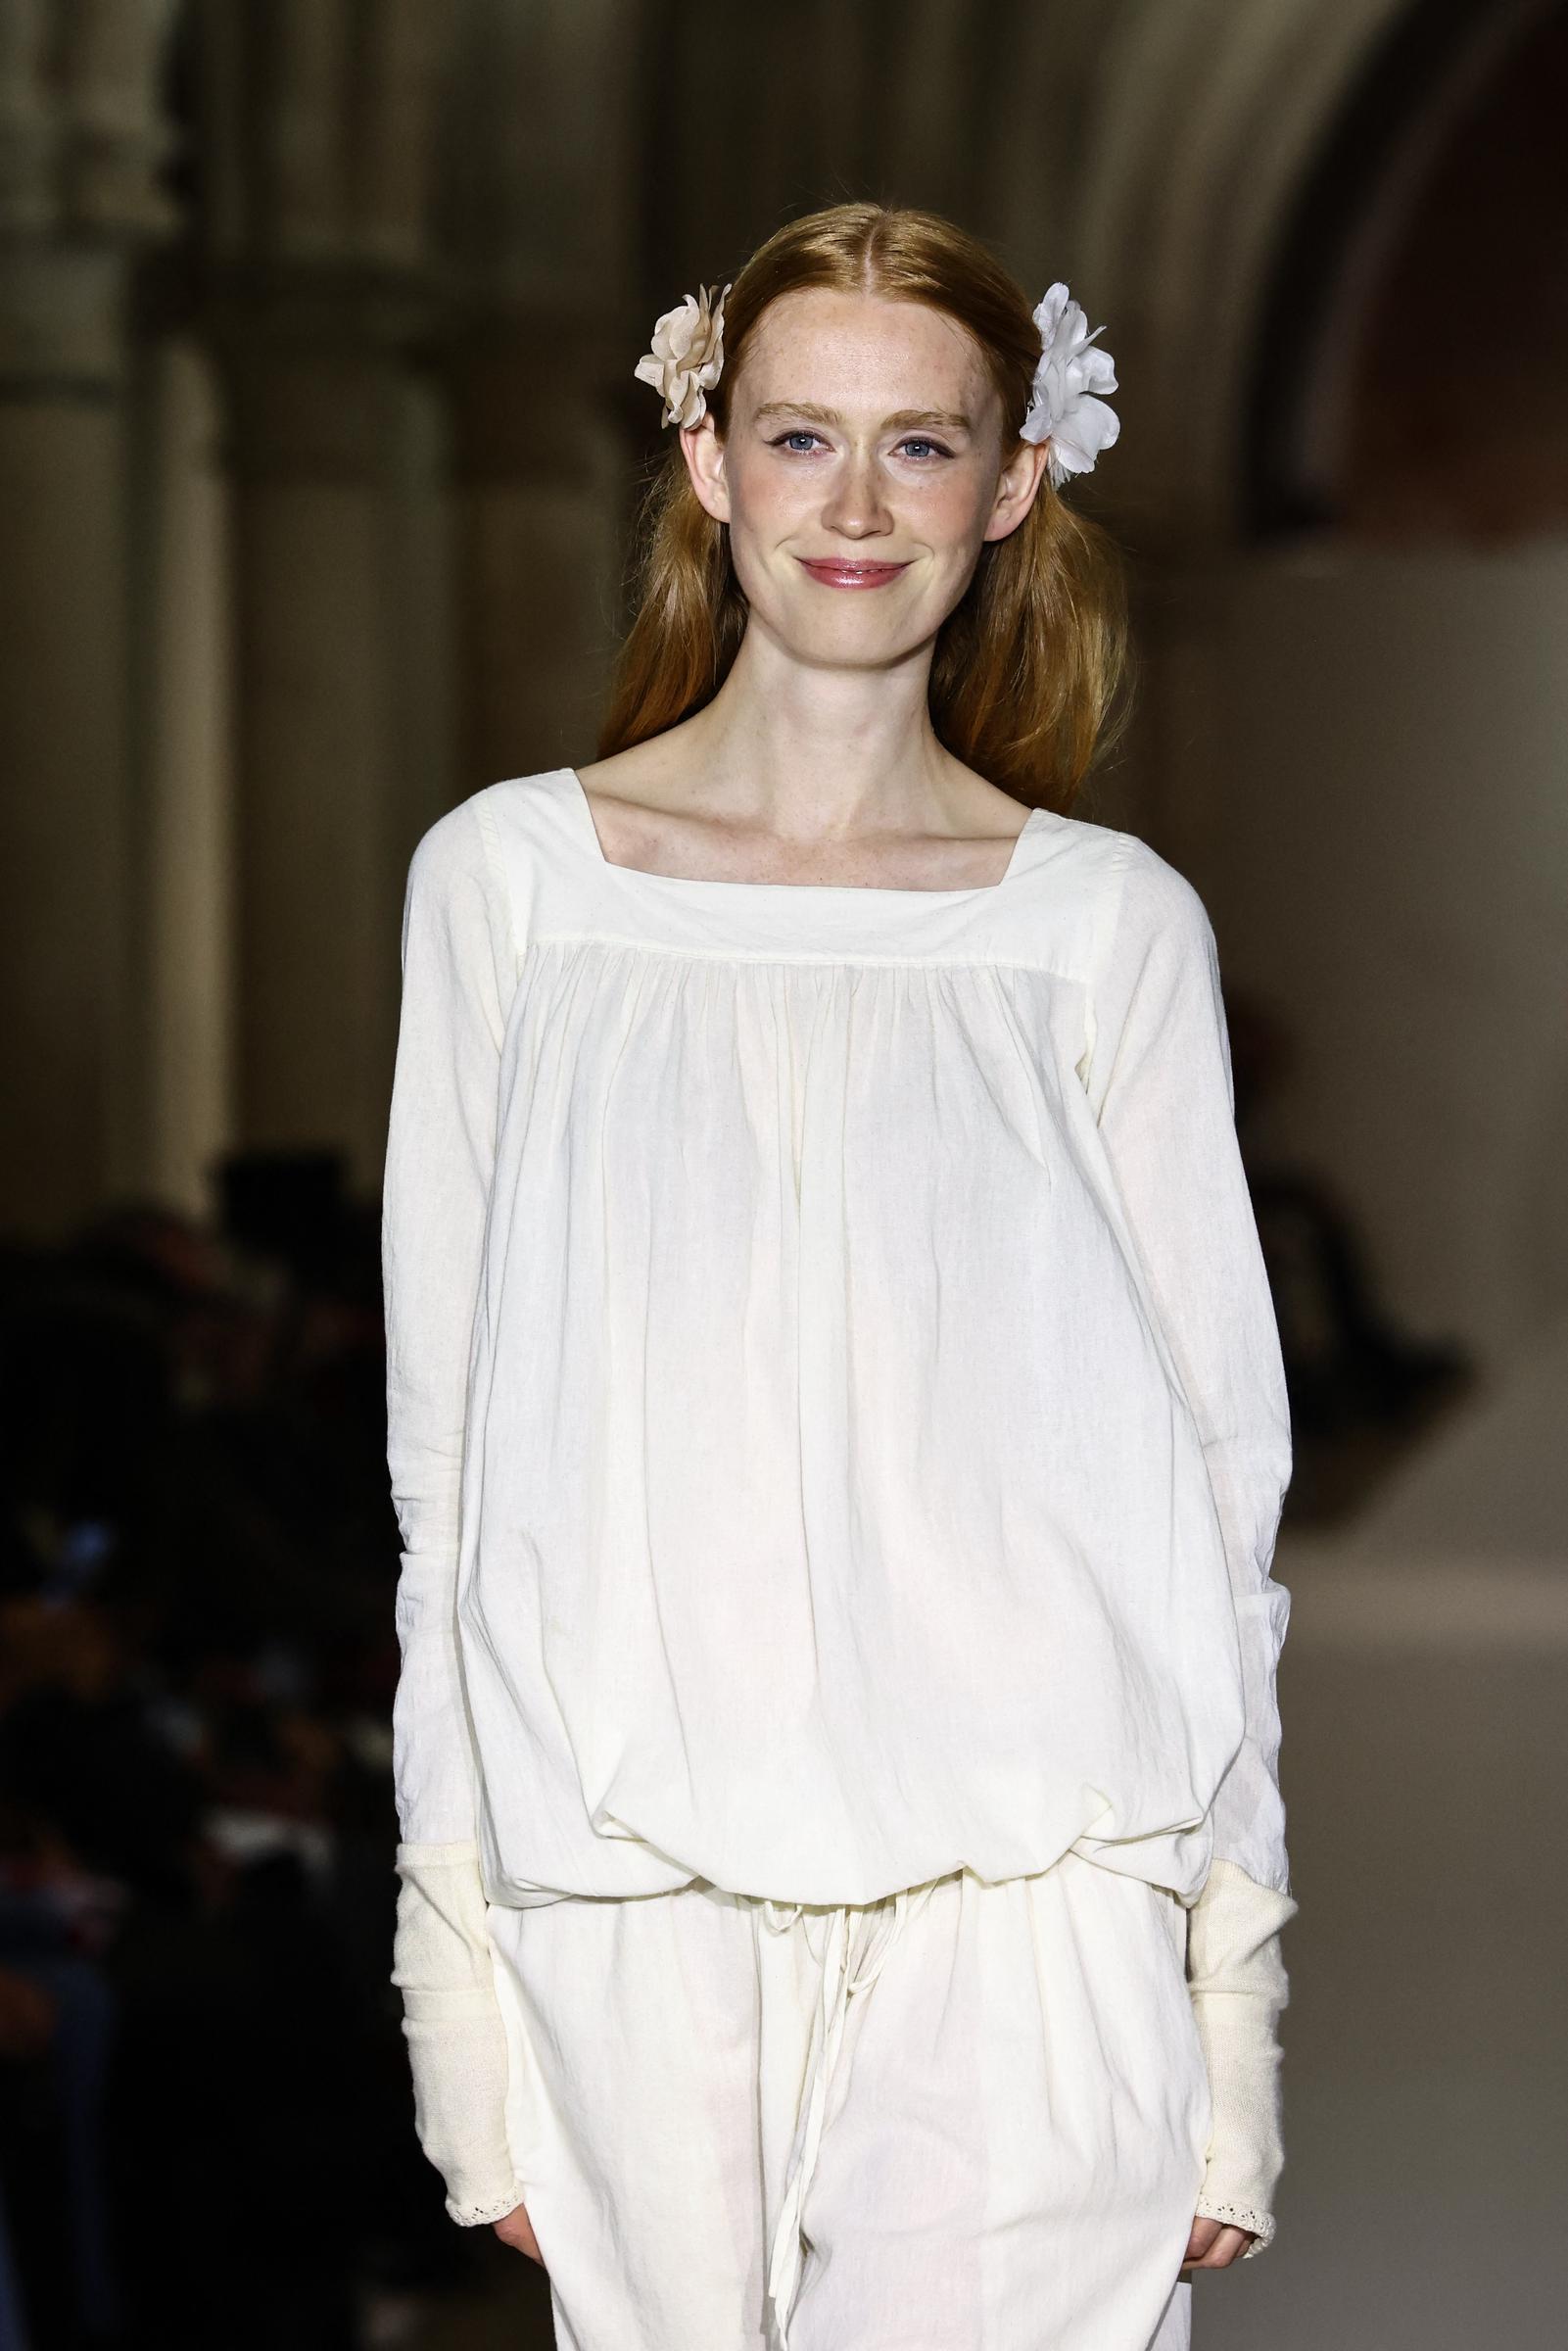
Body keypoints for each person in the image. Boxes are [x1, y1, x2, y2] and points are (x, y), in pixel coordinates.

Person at [382, 201, 1299, 2351]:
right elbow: (447, 1484)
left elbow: (1218, 1494)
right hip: (631, 1902)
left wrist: (1229, 2014)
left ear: (1014, 483)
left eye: (920, 444)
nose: (857, 506)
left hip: (1033, 1907)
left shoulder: (1102, 928)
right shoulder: (515, 890)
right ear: (708, 459)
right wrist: (458, 1992)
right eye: (803, 437)